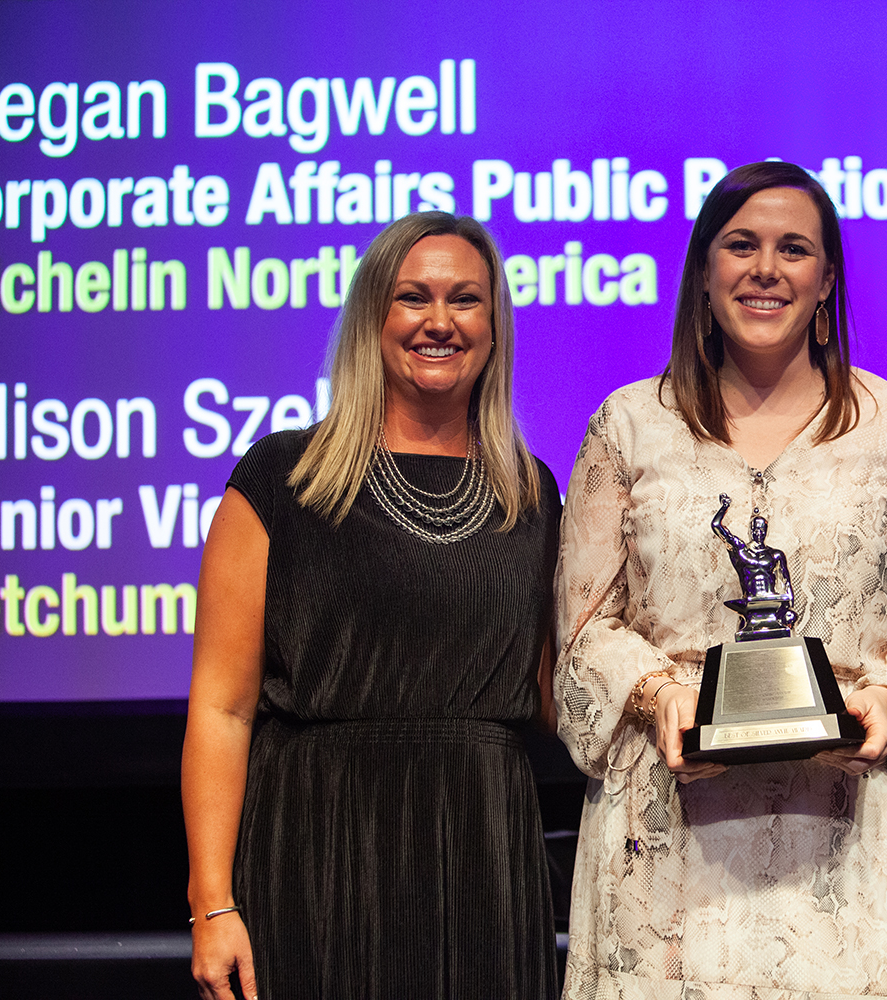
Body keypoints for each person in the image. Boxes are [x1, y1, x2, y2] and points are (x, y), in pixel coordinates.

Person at [554, 161, 887, 998]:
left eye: (794, 250)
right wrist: (655, 694)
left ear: (827, 281)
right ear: (704, 273)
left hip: (846, 838)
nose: (766, 269)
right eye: (740, 245)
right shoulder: (628, 424)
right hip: (667, 847)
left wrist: (885, 699)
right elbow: (581, 633)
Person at [181, 212, 561, 1000]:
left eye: (465, 299)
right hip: (318, 848)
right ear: (371, 321)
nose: (439, 320)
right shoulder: (284, 478)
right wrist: (211, 903)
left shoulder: (533, 494)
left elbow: (561, 695)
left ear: (494, 329)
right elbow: (221, 711)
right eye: (412, 297)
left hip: (482, 855)